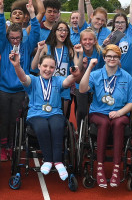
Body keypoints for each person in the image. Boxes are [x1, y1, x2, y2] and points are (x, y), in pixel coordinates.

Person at [9, 51, 81, 180]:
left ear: (55, 69)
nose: (48, 69)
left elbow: (66, 82)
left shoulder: (58, 80)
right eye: (45, 66)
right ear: (39, 66)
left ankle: (58, 162)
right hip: (36, 114)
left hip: (55, 113)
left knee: (58, 125)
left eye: (51, 67)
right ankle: (48, 160)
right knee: (42, 126)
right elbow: (23, 78)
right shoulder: (34, 80)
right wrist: (16, 65)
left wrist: (74, 76)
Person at [79, 45, 132, 187]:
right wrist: (89, 68)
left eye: (115, 57)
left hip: (120, 113)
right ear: (104, 58)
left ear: (119, 59)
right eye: (109, 56)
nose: (112, 59)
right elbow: (82, 89)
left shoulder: (127, 77)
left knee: (118, 123)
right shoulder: (96, 74)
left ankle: (116, 169)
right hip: (99, 113)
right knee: (104, 123)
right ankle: (100, 168)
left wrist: (119, 112)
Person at [0, 0, 41, 160]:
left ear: (22, 37)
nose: (15, 40)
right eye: (12, 38)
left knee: (17, 119)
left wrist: (31, 14)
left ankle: (14, 145)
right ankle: (4, 147)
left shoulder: (27, 44)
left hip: (21, 90)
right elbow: (0, 29)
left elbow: (36, 31)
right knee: (5, 119)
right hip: (4, 89)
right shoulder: (4, 44)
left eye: (18, 38)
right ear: (8, 38)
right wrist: (3, 1)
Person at [32, 21, 81, 118]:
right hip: (46, 86)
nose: (63, 32)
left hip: (63, 86)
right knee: (46, 114)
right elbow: (34, 67)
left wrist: (80, 54)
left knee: (61, 117)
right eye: (60, 29)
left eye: (66, 30)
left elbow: (77, 67)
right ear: (54, 31)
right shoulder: (47, 47)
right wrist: (39, 50)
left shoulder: (70, 49)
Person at [73, 28, 104, 129]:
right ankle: (81, 129)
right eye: (84, 39)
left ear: (95, 41)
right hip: (81, 84)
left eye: (90, 39)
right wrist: (81, 57)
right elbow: (77, 71)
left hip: (97, 86)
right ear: (81, 41)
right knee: (81, 110)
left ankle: (93, 128)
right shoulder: (77, 52)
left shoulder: (101, 53)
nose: (87, 42)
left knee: (96, 110)